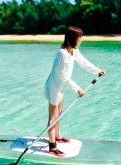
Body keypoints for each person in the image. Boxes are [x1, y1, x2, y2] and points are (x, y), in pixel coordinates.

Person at [43, 26, 105, 156]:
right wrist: (78, 89)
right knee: (53, 118)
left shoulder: (73, 50)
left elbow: (83, 62)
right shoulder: (62, 54)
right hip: (54, 88)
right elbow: (63, 77)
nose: (81, 39)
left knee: (60, 112)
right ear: (73, 38)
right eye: (80, 36)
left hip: (61, 87)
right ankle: (52, 146)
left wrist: (97, 70)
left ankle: (58, 136)